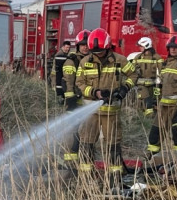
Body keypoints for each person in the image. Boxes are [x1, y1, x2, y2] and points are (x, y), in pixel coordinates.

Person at [75, 28, 136, 188]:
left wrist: (124, 88)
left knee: (113, 146)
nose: (97, 54)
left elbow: (133, 75)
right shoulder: (85, 62)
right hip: (91, 112)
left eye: (101, 51)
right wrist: (95, 92)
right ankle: (85, 181)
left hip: (111, 113)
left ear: (108, 47)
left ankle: (114, 180)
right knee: (86, 144)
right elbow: (80, 83)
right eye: (95, 52)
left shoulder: (120, 60)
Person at [147, 35, 177, 163]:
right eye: (171, 48)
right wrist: (155, 99)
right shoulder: (165, 63)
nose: (173, 50)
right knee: (155, 133)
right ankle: (151, 160)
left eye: (176, 48)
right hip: (163, 106)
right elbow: (159, 83)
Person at [60, 29, 90, 170]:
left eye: (87, 44)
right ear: (77, 46)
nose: (85, 47)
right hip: (75, 102)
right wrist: (70, 99)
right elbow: (68, 81)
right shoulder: (71, 61)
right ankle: (70, 160)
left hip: (88, 101)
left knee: (87, 131)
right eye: (82, 44)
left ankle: (83, 158)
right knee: (73, 130)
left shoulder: (93, 60)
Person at [131, 36, 163, 115]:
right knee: (146, 102)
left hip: (154, 85)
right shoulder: (137, 57)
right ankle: (146, 118)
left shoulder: (157, 58)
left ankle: (150, 120)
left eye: (141, 46)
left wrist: (161, 83)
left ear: (146, 46)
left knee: (154, 103)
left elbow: (162, 71)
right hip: (141, 85)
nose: (140, 48)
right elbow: (132, 71)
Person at [52, 39, 72, 104]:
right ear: (63, 47)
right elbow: (55, 69)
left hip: (61, 75)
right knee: (60, 88)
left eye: (69, 47)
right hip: (58, 75)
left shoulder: (66, 54)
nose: (67, 49)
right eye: (66, 47)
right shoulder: (59, 55)